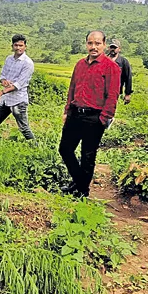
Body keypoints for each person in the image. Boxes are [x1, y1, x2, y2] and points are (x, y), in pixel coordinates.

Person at [59, 31, 120, 198]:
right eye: (90, 43)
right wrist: (67, 110)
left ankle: (82, 191)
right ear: (86, 44)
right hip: (75, 114)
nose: (93, 47)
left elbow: (113, 94)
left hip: (95, 117)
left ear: (104, 45)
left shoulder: (111, 67)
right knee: (65, 149)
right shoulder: (80, 64)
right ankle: (79, 182)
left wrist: (104, 118)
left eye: (97, 43)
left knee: (88, 155)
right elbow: (72, 88)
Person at [0, 34, 35, 146]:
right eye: (16, 45)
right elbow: (2, 75)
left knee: (24, 128)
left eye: (21, 45)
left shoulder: (28, 63)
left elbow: (18, 84)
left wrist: (1, 92)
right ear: (12, 46)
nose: (18, 48)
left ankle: (36, 149)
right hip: (6, 99)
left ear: (25, 46)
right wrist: (3, 81)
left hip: (18, 100)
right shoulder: (9, 59)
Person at [107, 38, 133, 105]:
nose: (113, 49)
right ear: (108, 48)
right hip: (101, 91)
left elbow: (128, 78)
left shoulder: (123, 62)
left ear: (119, 49)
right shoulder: (103, 60)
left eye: (115, 47)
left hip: (115, 91)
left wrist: (127, 94)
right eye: (111, 47)